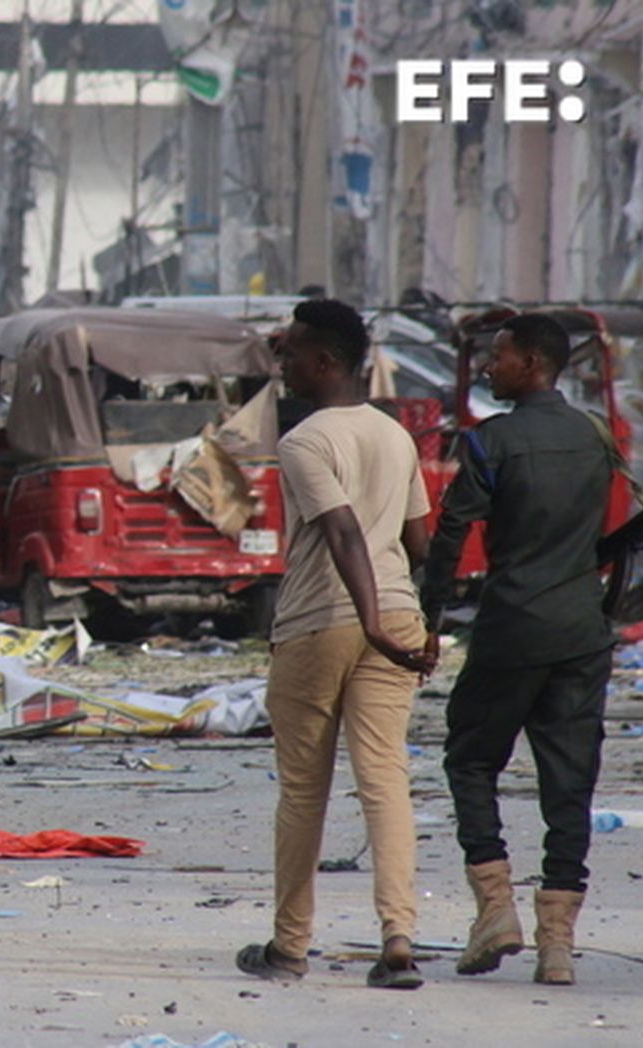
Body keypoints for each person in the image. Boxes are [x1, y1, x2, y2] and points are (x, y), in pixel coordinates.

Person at [236, 298, 435, 990]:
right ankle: (400, 940)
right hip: (398, 616)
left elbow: (344, 532)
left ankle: (290, 947)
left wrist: (373, 620)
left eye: (289, 353)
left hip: (323, 620)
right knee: (386, 781)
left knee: (303, 791)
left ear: (325, 362)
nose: (281, 364)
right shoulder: (395, 436)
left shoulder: (304, 440)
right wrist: (410, 622)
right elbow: (418, 542)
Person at [421, 313, 614, 987]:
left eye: (498, 359)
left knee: (470, 760)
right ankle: (556, 944)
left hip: (511, 629)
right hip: (583, 631)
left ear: (532, 363)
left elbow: (451, 533)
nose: (486, 368)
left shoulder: (490, 442)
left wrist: (427, 617)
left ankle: (495, 909)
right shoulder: (593, 435)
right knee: (570, 784)